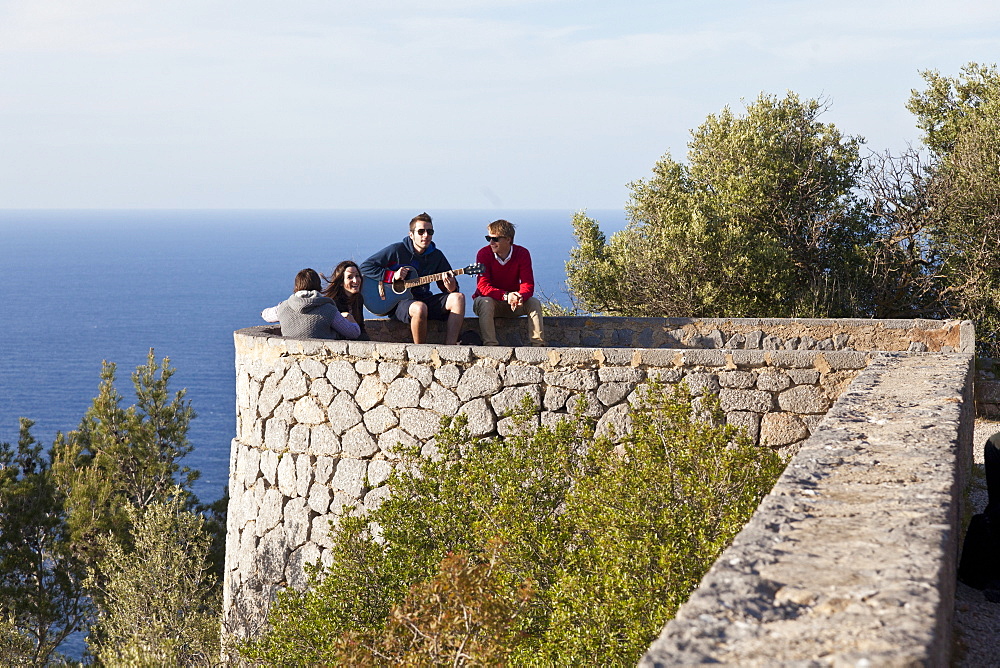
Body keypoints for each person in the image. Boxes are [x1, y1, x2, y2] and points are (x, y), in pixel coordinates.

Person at [360, 212, 465, 345]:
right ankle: (419, 351)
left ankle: (451, 347)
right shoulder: (396, 250)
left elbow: (448, 286)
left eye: (430, 232)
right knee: (419, 308)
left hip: (425, 299)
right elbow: (365, 267)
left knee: (458, 298)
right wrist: (392, 276)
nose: (426, 235)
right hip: (400, 303)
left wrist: (452, 288)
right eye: (421, 231)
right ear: (411, 235)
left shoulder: (436, 256)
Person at [472, 219, 546, 347]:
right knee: (486, 302)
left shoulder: (522, 254)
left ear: (508, 239)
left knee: (534, 303)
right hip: (491, 302)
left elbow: (528, 284)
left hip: (513, 303)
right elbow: (483, 287)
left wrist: (520, 296)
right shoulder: (483, 254)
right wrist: (506, 296)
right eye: (488, 238)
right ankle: (491, 346)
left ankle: (538, 345)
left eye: (495, 239)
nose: (491, 243)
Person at [261, 268, 361, 340]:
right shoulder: (328, 309)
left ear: (296, 286)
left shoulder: (283, 307)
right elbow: (353, 333)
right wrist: (349, 317)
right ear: (319, 286)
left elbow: (265, 315)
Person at [322, 260, 368, 340]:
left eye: (357, 276)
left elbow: (361, 328)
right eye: (350, 277)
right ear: (341, 282)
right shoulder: (332, 302)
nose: (355, 280)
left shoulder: (358, 299)